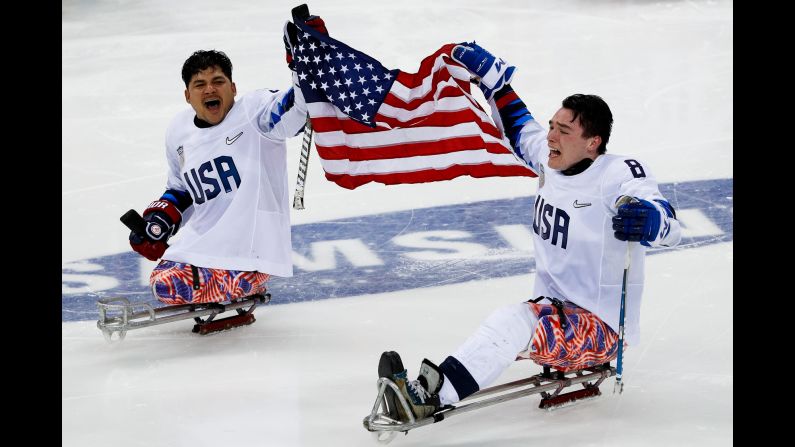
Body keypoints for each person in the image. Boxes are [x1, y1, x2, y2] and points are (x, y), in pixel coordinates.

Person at [380, 42, 682, 422]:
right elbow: (519, 125)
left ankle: (429, 399)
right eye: (553, 125)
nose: (551, 136)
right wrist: (493, 82)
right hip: (555, 311)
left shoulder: (617, 175)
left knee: (512, 321)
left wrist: (651, 220)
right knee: (511, 325)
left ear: (593, 143)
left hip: (599, 328)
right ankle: (431, 390)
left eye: (564, 130)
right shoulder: (551, 157)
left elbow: (670, 225)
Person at [128, 15, 329, 306]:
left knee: (171, 286)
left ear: (233, 88)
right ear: (187, 95)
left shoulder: (255, 113)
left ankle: (249, 279)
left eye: (218, 81)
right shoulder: (178, 131)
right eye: (200, 84)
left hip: (250, 251)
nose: (210, 89)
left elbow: (297, 110)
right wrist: (159, 222)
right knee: (163, 281)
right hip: (205, 245)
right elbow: (182, 190)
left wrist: (303, 65)